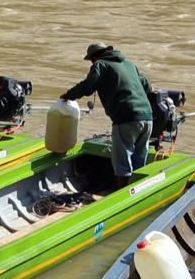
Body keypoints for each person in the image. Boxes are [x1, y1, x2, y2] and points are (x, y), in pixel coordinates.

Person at [60, 42, 153, 189]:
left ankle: (123, 193)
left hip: (125, 118)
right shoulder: (129, 64)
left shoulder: (100, 65)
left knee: (122, 160)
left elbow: (88, 86)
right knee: (139, 159)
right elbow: (147, 86)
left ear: (94, 57)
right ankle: (140, 190)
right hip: (148, 118)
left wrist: (68, 95)